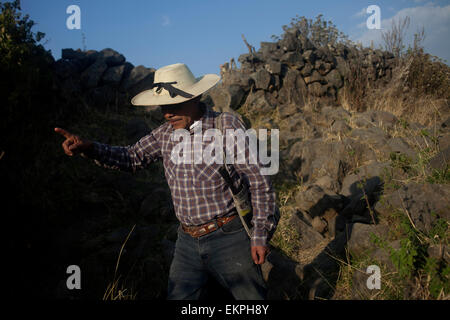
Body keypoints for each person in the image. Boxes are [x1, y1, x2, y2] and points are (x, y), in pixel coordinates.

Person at [55, 63, 278, 300]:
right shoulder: (164, 135)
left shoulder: (225, 125)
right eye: (164, 107)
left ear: (196, 97)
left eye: (175, 105)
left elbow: (258, 180)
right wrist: (90, 148)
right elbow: (131, 157)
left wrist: (259, 235)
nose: (168, 113)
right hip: (187, 243)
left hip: (229, 237)